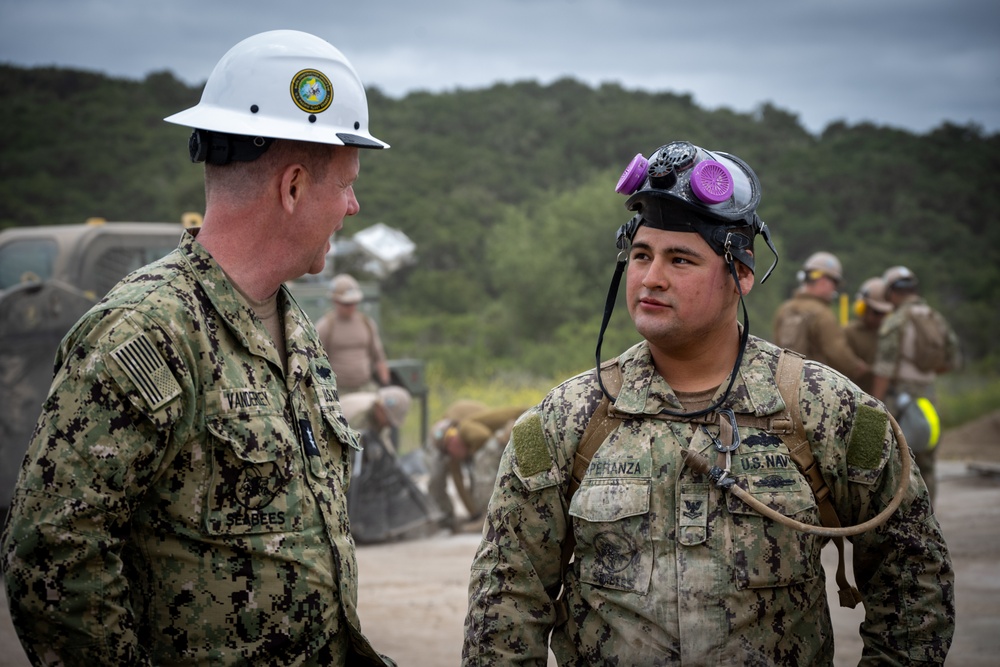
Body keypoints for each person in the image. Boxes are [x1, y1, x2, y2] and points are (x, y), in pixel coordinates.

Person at [463, 140, 953, 665]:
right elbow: (506, 600)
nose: (652, 278)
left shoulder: (823, 409)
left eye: (681, 259)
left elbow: (914, 580)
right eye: (642, 255)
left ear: (741, 274)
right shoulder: (569, 419)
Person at [0, 30, 396, 666]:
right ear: (293, 187)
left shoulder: (294, 329)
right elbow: (53, 556)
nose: (354, 205)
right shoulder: (146, 332)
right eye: (346, 183)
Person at [872, 265, 961, 506]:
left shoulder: (896, 321)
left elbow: (884, 369)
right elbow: (951, 361)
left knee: (898, 464)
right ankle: (929, 518)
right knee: (927, 463)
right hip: (929, 399)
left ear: (892, 292)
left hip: (900, 400)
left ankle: (903, 519)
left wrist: (875, 406)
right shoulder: (935, 317)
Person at [426, 401, 527, 532]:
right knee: (484, 464)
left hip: (518, 421)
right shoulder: (454, 442)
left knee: (483, 461)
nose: (450, 456)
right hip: (511, 426)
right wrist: (473, 514)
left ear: (452, 440)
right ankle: (487, 514)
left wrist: (473, 453)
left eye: (448, 451)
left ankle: (493, 515)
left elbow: (484, 437)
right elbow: (458, 482)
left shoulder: (466, 427)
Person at [772, 251, 870, 381]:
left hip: (783, 380)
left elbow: (776, 346)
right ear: (824, 281)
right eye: (834, 283)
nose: (834, 289)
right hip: (812, 385)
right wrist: (857, 367)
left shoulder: (785, 309)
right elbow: (836, 350)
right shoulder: (822, 313)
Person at [316, 273, 391, 394]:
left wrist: (385, 384)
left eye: (354, 302)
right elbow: (316, 361)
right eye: (346, 304)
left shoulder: (366, 323)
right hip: (337, 390)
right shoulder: (325, 326)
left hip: (365, 387)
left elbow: (379, 357)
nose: (351, 307)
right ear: (335, 301)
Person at [844, 276, 894, 394]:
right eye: (876, 313)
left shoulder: (891, 334)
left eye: (885, 314)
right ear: (862, 308)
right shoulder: (849, 332)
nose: (881, 318)